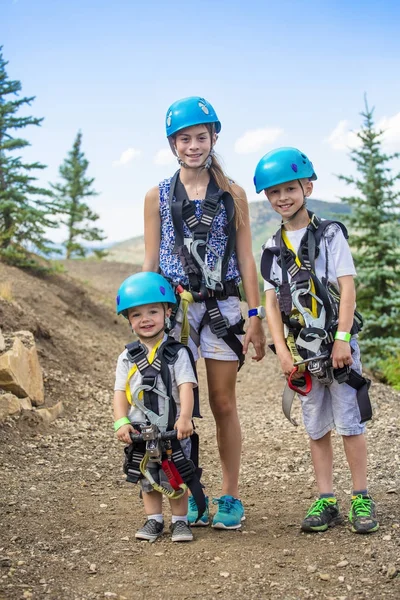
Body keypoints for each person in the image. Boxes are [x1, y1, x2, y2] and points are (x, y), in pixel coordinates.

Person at [143, 96, 266, 530]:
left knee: (221, 401)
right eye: (184, 138)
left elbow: (247, 259)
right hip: (176, 309)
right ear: (172, 143)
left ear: (214, 137)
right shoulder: (157, 196)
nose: (193, 145)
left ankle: (230, 496)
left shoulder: (234, 195)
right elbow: (152, 262)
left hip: (224, 306)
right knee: (179, 401)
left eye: (201, 137)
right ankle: (189, 493)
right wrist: (147, 314)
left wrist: (255, 315)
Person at [254, 147, 378, 534]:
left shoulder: (329, 235)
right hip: (303, 357)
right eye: (273, 193)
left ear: (307, 186)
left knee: (350, 424)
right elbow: (271, 303)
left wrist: (343, 339)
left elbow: (346, 286)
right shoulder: (272, 249)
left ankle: (360, 495)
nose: (282, 198)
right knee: (316, 428)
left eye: (289, 188)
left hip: (336, 350)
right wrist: (282, 352)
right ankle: (326, 498)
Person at [113, 271, 203, 543]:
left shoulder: (178, 353)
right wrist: (122, 422)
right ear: (129, 320)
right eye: (137, 315)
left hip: (173, 430)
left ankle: (179, 521)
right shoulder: (127, 358)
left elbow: (187, 387)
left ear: (167, 313)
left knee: (177, 473)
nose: (146, 319)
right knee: (146, 475)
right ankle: (154, 520)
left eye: (153, 311)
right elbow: (120, 393)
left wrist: (185, 418)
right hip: (141, 431)